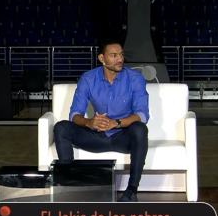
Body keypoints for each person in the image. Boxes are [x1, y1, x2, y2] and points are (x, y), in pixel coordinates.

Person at [53, 38, 150, 202]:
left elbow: (142, 114)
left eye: (121, 55)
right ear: (101, 59)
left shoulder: (134, 78)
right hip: (95, 136)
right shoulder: (88, 78)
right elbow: (74, 114)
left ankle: (131, 191)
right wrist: (89, 123)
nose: (119, 59)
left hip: (122, 136)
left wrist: (116, 123)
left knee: (140, 129)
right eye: (113, 55)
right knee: (61, 127)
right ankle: (67, 185)